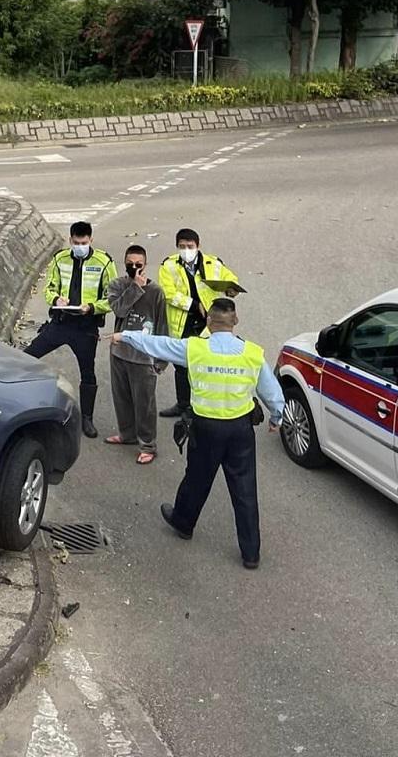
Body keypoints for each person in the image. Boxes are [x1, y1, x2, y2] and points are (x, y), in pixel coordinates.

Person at [109, 299, 284, 570]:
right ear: (235, 321)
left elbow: (158, 344)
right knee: (244, 489)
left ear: (209, 322)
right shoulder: (253, 353)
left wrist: (126, 336)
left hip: (206, 428)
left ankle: (183, 523)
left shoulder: (194, 348)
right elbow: (271, 390)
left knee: (196, 479)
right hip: (240, 430)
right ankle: (251, 553)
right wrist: (276, 416)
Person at [24, 221, 117, 439]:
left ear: (91, 240)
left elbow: (112, 297)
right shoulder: (60, 259)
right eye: (76, 242)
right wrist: (56, 299)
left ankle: (87, 418)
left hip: (85, 326)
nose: (80, 246)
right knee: (27, 357)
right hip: (61, 322)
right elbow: (49, 289)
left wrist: (92, 307)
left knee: (88, 372)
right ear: (70, 240)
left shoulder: (104, 262)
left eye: (84, 243)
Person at [157, 228, 240, 418]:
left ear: (198, 245)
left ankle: (206, 405)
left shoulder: (213, 263)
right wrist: (194, 305)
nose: (186, 250)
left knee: (210, 363)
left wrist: (231, 288)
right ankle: (183, 405)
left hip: (210, 323)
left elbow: (230, 278)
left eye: (190, 246)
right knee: (181, 365)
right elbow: (168, 294)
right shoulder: (168, 266)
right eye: (182, 246)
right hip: (183, 322)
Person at [105, 245, 170, 465]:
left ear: (145, 264)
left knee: (145, 404)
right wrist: (134, 288)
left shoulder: (156, 292)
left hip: (144, 358)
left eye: (138, 264)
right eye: (130, 264)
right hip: (119, 353)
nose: (134, 268)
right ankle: (127, 434)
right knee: (121, 398)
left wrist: (161, 361)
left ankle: (148, 445)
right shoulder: (117, 285)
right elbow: (119, 310)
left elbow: (162, 325)